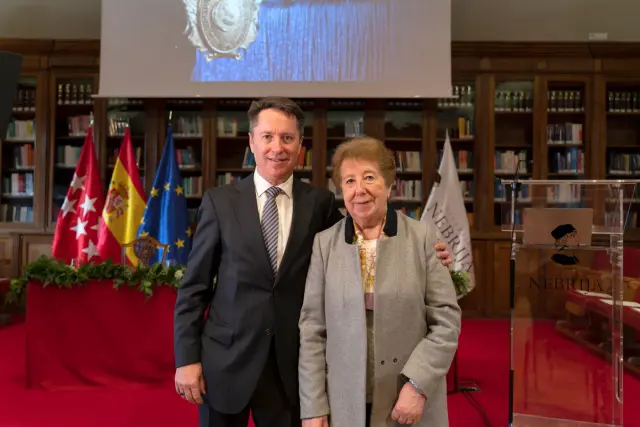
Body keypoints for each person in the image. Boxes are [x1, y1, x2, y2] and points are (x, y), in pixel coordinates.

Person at [173, 97, 453, 427]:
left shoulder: (318, 204)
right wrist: (187, 358)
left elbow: (361, 233)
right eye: (267, 137)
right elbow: (195, 288)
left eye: (287, 138)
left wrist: (429, 251)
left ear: (300, 145)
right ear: (252, 141)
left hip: (287, 369)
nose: (277, 147)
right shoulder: (219, 203)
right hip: (226, 362)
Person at [298, 136, 462, 427]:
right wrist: (313, 406)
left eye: (369, 177)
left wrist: (418, 384)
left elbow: (446, 321)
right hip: (344, 401)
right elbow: (312, 330)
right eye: (349, 181)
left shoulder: (423, 238)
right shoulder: (325, 244)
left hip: (407, 396)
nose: (359, 189)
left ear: (389, 185)